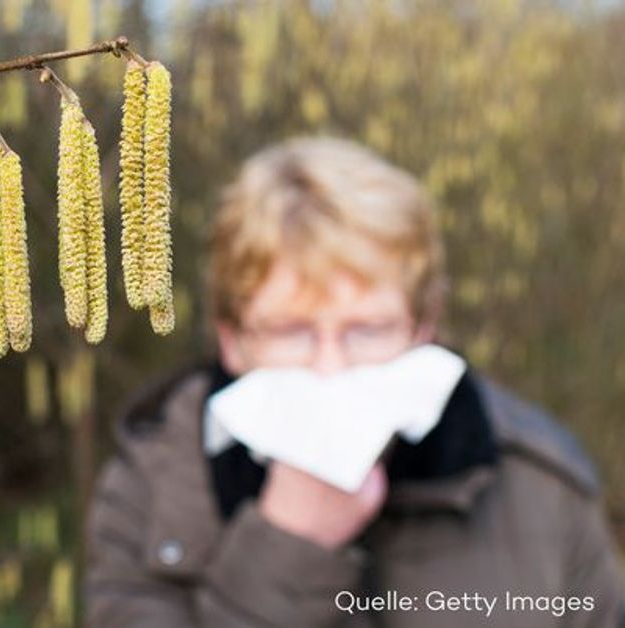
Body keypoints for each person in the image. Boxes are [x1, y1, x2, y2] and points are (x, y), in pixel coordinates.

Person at [83, 136, 625, 627]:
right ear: (233, 340)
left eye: (367, 330)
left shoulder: (539, 483)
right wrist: (288, 547)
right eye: (292, 331)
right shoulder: (152, 488)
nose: (331, 368)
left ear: (421, 328)